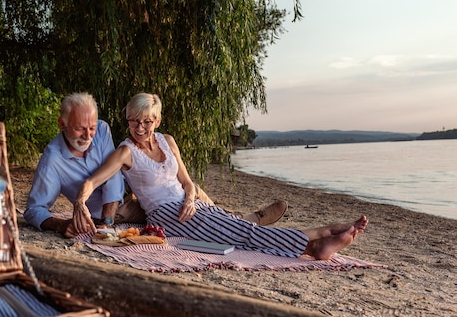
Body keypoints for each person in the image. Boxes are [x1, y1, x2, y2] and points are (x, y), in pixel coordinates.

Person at [72, 93, 368, 260]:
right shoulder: (125, 152)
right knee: (242, 233)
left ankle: (325, 232)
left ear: (157, 120)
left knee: (237, 227)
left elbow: (187, 182)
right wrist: (80, 203)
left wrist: (190, 198)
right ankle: (316, 244)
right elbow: (92, 182)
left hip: (189, 205)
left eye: (146, 121)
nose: (139, 128)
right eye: (134, 122)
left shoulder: (167, 141)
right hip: (165, 214)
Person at [24, 92, 289, 238]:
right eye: (80, 129)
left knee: (192, 190)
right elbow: (34, 209)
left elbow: (115, 176)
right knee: (179, 211)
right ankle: (244, 222)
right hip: (115, 214)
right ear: (62, 125)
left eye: (91, 127)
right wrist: (63, 223)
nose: (88, 135)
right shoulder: (52, 161)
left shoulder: (103, 129)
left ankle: (239, 219)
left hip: (132, 199)